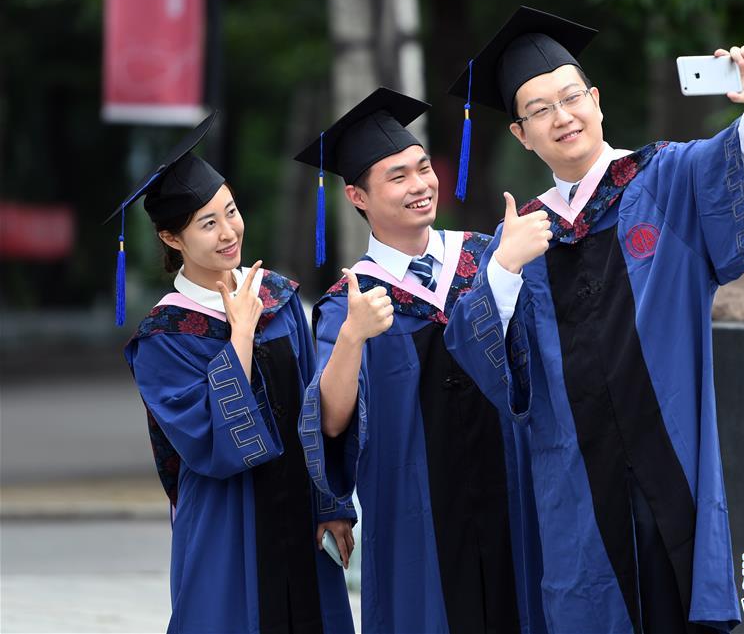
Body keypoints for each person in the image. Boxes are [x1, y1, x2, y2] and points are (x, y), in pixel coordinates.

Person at [444, 7, 744, 634]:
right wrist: (504, 270)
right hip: (580, 489)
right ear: (522, 135)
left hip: (671, 467)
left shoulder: (662, 180)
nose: (562, 117)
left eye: (570, 97)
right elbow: (485, 361)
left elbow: (733, 162)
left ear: (596, 100)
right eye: (539, 110)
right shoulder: (521, 238)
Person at [294, 88, 546, 633]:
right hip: (420, 511)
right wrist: (352, 339)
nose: (420, 185)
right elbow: (331, 422)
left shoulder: (488, 258)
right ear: (358, 196)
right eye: (398, 176)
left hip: (512, 489)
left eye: (424, 168)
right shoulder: (349, 304)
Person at [112, 114, 355, 634]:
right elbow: (206, 444)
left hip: (300, 513)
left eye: (231, 212)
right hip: (226, 520)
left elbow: (314, 406)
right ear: (171, 237)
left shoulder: (278, 297)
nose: (229, 232)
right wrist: (239, 337)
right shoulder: (164, 336)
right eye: (207, 224)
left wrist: (331, 503)